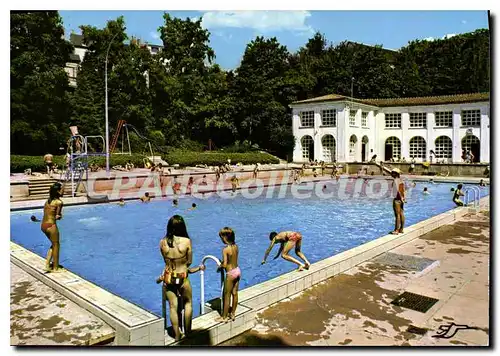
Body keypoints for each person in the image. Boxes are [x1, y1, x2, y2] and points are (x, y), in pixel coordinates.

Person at [157, 215, 200, 341]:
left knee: (172, 307)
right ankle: (188, 333)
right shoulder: (186, 242)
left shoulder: (162, 242)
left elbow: (165, 260)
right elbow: (189, 262)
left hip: (169, 277)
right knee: (188, 303)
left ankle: (176, 336)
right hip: (182, 276)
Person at [216, 227, 241, 323]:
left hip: (230, 273)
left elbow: (225, 264)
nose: (221, 239)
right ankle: (233, 313)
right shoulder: (236, 246)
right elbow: (232, 259)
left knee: (226, 296)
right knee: (234, 293)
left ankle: (224, 317)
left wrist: (220, 266)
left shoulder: (225, 249)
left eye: (221, 237)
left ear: (225, 238)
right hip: (237, 270)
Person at [41, 182, 63, 272]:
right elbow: (57, 216)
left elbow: (47, 213)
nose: (63, 191)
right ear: (58, 191)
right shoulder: (59, 202)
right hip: (51, 225)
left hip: (43, 225)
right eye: (62, 189)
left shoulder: (47, 201)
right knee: (56, 245)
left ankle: (47, 265)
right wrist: (59, 216)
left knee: (53, 244)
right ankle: (55, 268)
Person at [390, 168, 406, 235]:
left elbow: (398, 191)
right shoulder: (401, 180)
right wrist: (403, 198)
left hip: (397, 199)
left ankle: (396, 230)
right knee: (401, 213)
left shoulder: (395, 180)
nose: (391, 174)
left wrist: (401, 198)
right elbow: (403, 190)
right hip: (401, 199)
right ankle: (401, 229)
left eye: (393, 173)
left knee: (397, 215)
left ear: (396, 174)